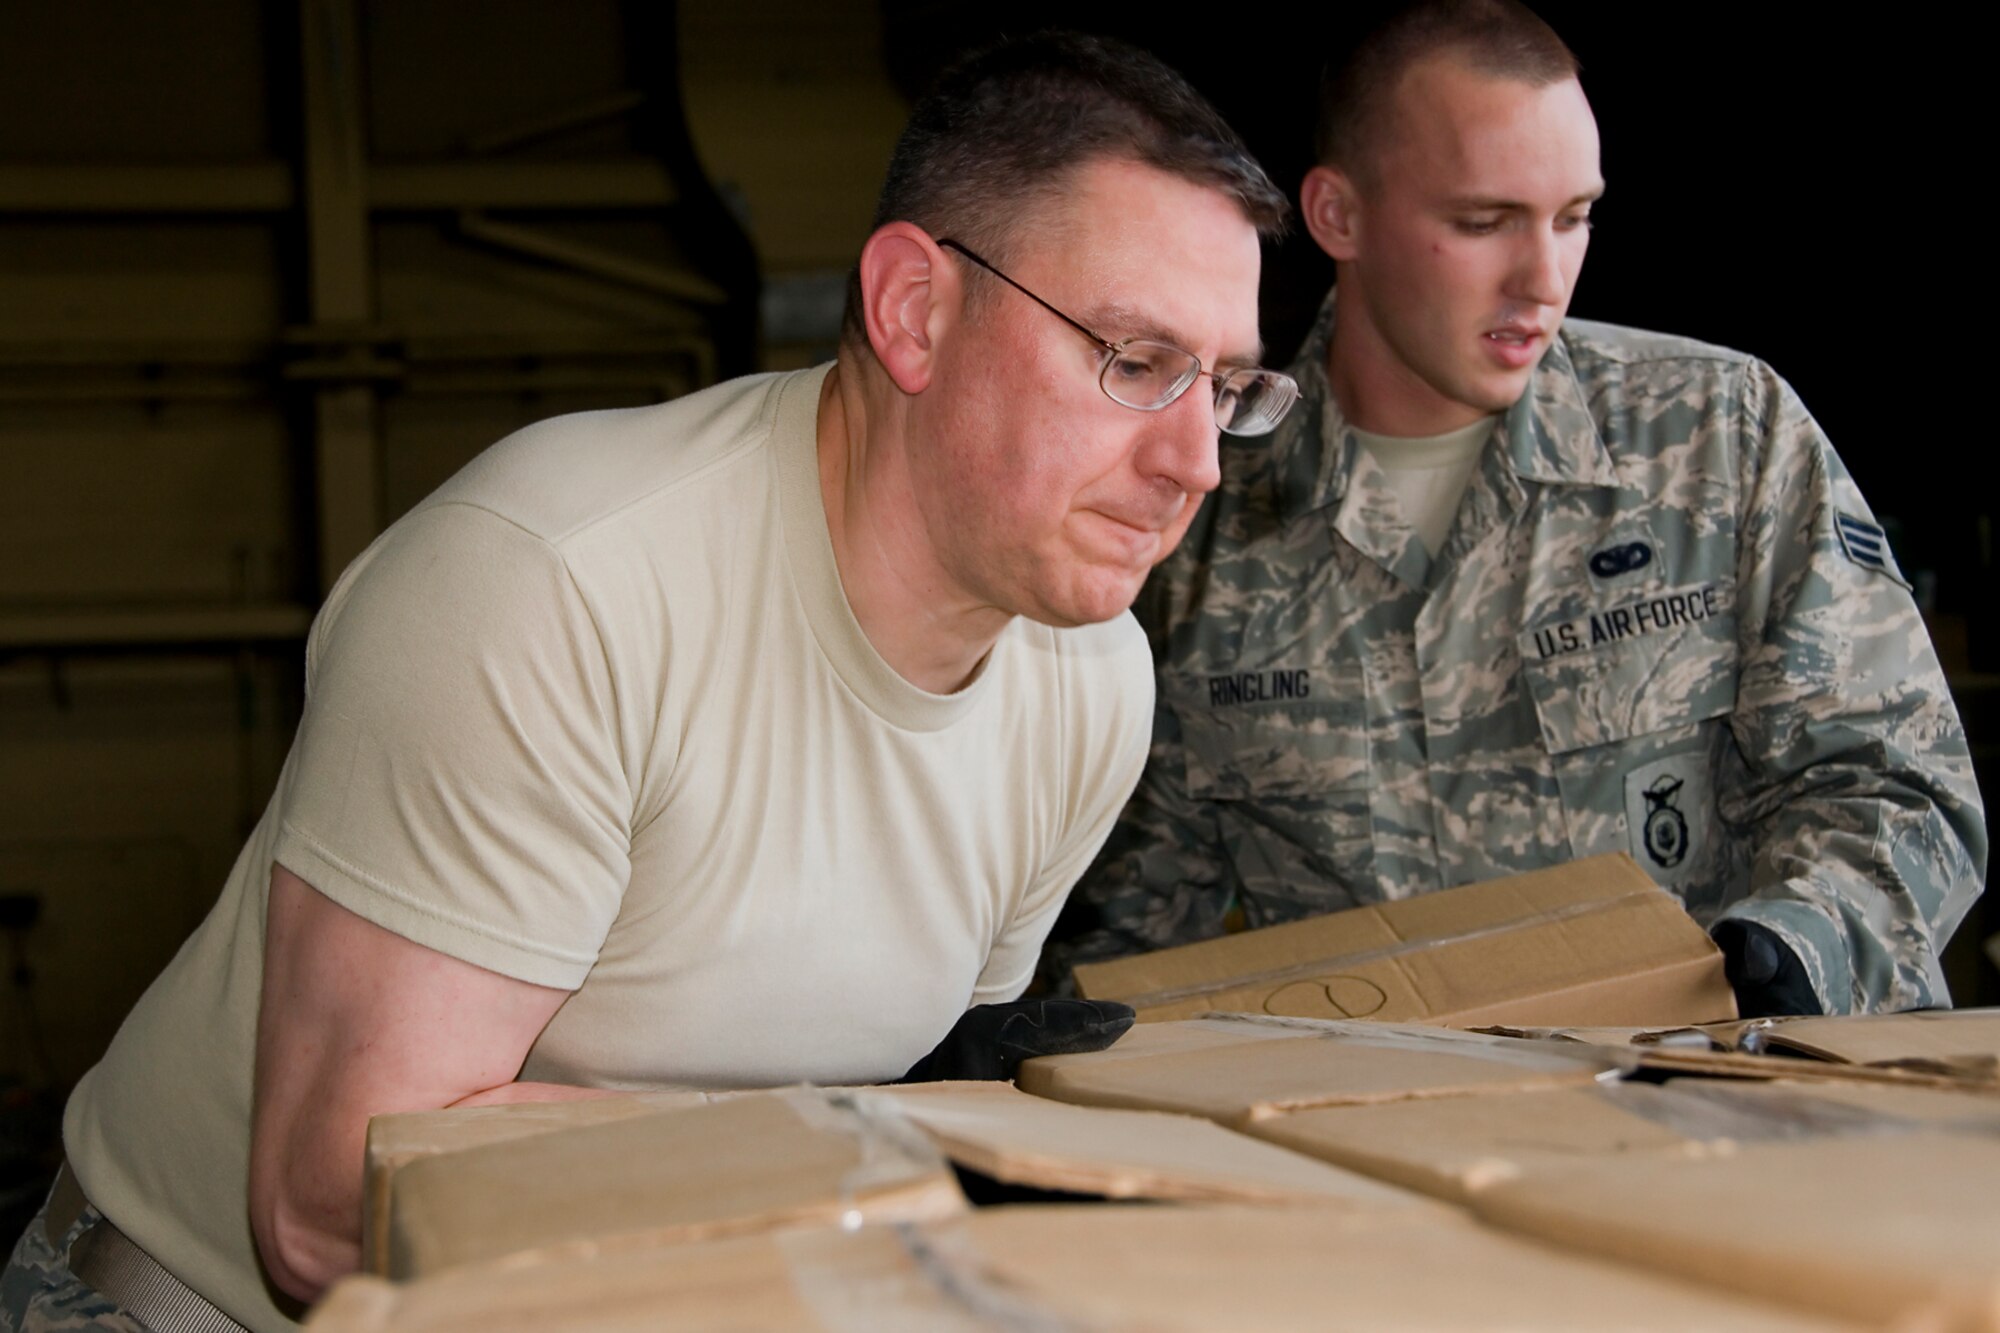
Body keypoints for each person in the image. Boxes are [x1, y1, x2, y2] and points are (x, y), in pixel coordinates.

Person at [1, 33, 1298, 1333]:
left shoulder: (1090, 683)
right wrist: (892, 1175)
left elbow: (901, 1087)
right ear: (916, 310)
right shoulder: (558, 584)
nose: (1196, 462)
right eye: (1136, 362)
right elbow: (330, 1208)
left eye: (1230, 388)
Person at [1044, 0, 1986, 1022]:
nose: (1542, 279)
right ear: (1337, 217)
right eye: (1481, 222)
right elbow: (1135, 927)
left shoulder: (1720, 437)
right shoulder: (1204, 517)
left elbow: (1898, 787)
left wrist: (1795, 950)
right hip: (1397, 1139)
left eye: (1572, 216)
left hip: (1738, 1107)